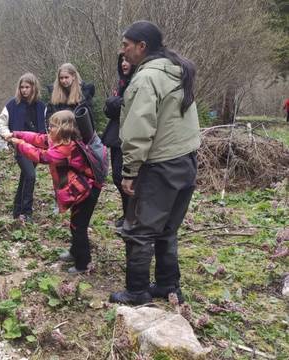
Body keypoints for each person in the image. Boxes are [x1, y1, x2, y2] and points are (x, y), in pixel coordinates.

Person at [109, 21, 201, 305]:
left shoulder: (147, 77)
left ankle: (136, 292)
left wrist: (130, 172)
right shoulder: (176, 71)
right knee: (167, 229)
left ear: (142, 46)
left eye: (126, 45)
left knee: (140, 230)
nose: (122, 51)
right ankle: (168, 285)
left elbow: (139, 130)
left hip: (161, 165)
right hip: (186, 161)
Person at [4, 110, 100, 273]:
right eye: (49, 126)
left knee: (79, 227)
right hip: (81, 190)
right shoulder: (58, 140)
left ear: (64, 129)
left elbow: (41, 156)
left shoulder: (65, 148)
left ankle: (82, 264)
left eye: (53, 126)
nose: (49, 129)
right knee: (75, 224)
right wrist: (16, 133)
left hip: (88, 192)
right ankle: (75, 252)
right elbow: (37, 138)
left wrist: (18, 143)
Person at [0, 73, 47, 222]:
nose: (24, 90)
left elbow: (46, 126)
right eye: (22, 87)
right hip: (20, 147)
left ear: (33, 88)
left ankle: (17, 210)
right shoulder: (12, 105)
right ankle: (26, 212)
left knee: (25, 177)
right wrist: (7, 135)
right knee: (30, 176)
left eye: (27, 87)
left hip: (37, 148)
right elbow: (1, 122)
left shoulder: (41, 106)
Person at [102, 54, 135, 232]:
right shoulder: (122, 82)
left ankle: (132, 217)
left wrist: (114, 103)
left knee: (126, 179)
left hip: (128, 138)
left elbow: (128, 107)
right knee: (116, 177)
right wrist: (113, 103)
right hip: (115, 137)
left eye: (128, 60)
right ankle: (127, 214)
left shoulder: (137, 82)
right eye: (122, 60)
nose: (124, 64)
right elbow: (109, 109)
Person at [46, 63, 96, 136]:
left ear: (73, 76)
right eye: (61, 78)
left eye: (66, 77)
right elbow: (50, 117)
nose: (63, 80)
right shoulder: (54, 94)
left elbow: (88, 118)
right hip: (59, 134)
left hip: (79, 134)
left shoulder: (84, 93)